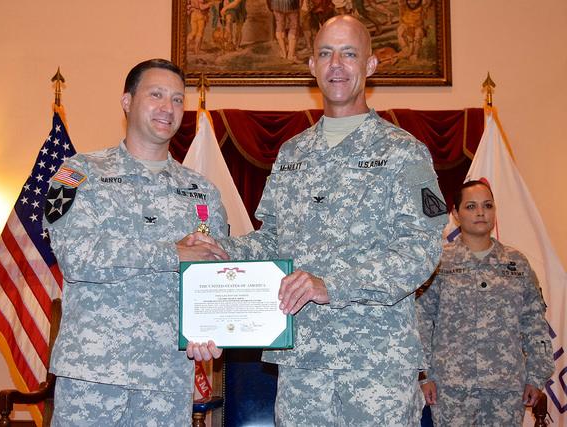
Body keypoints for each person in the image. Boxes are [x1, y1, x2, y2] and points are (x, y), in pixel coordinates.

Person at [193, 15, 448, 425]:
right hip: (302, 365)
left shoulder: (405, 152)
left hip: (375, 365)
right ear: (311, 66)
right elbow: (272, 241)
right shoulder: (293, 153)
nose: (336, 65)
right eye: (326, 53)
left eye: (349, 54)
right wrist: (218, 250)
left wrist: (331, 285)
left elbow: (421, 250)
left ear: (370, 66)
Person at [43, 58, 227, 426]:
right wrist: (172, 252)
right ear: (127, 101)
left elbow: (215, 276)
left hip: (167, 379)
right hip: (93, 376)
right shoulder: (76, 174)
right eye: (156, 95)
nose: (168, 108)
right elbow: (77, 257)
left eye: (177, 99)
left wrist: (214, 327)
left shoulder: (203, 192)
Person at [416, 180, 555, 426]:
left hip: (505, 388)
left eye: (487, 205)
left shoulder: (517, 263)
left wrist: (536, 376)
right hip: (451, 388)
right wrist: (424, 375)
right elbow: (421, 321)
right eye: (471, 206)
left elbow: (534, 324)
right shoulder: (439, 263)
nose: (481, 212)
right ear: (456, 214)